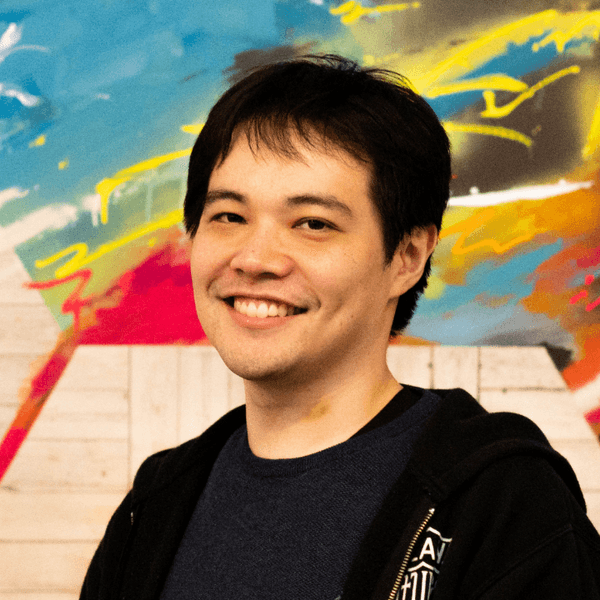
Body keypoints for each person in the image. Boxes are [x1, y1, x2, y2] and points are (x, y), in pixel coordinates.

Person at [80, 55, 600, 600]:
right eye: (229, 216)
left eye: (313, 223)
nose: (254, 259)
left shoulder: (503, 505)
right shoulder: (154, 507)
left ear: (407, 256)